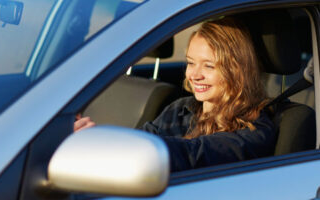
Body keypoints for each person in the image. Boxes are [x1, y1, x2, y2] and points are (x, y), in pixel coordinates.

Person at [75, 17, 276, 172]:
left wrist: (111, 145)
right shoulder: (181, 109)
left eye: (209, 66)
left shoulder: (255, 129)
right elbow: (142, 139)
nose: (194, 75)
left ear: (237, 70)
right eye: (190, 62)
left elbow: (193, 153)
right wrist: (96, 139)